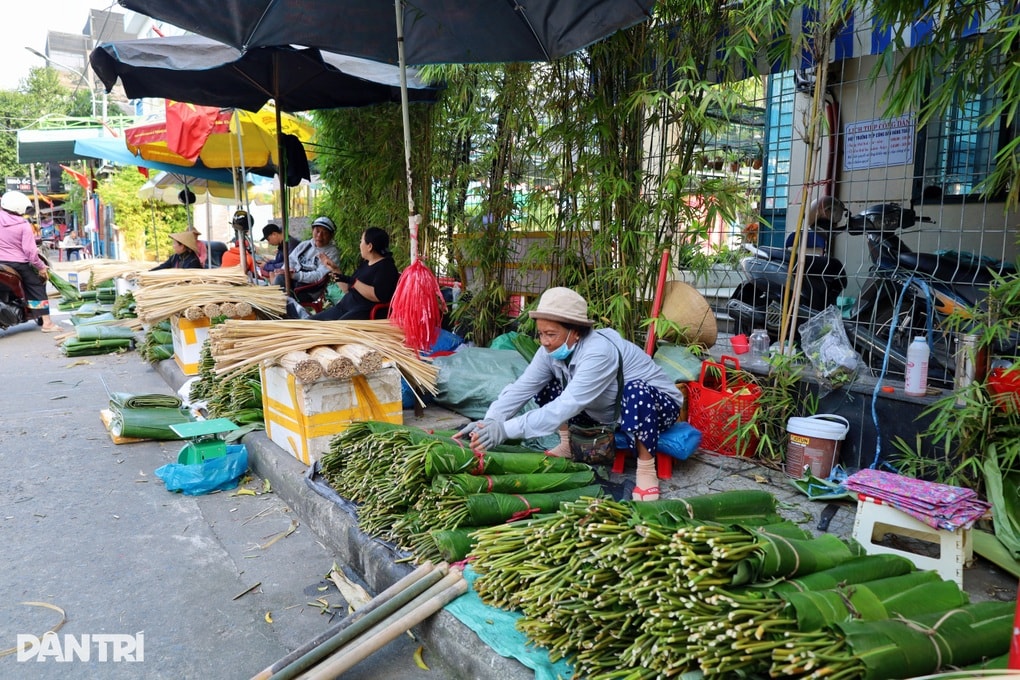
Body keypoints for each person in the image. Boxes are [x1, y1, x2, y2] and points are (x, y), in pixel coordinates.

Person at [455, 287, 684, 501]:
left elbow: (566, 405)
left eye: (551, 334)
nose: (544, 341)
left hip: (655, 408)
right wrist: (489, 422)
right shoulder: (551, 350)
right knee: (547, 385)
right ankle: (566, 445)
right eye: (540, 334)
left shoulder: (598, 352)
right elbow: (522, 387)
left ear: (575, 332)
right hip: (604, 408)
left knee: (636, 391)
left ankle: (646, 468)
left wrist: (504, 430)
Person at [311, 227, 400, 321]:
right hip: (344, 307)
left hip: (362, 312)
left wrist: (354, 282)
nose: (360, 245)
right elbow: (347, 289)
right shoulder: (366, 263)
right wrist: (334, 269)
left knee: (331, 332)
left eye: (361, 241)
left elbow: (378, 295)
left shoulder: (386, 268)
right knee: (310, 323)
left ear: (369, 246)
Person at [0, 191, 58, 332]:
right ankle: (47, 323)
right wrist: (42, 268)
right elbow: (31, 253)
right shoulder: (23, 225)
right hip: (17, 264)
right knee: (36, 285)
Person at [274, 216, 342, 300]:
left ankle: (286, 308)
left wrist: (294, 275)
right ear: (312, 231)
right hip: (294, 282)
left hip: (310, 290)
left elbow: (319, 275)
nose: (319, 235)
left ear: (331, 236)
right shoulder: (305, 245)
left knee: (281, 296)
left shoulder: (332, 252)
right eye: (317, 231)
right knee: (279, 278)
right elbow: (291, 260)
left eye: (324, 233)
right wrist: (286, 270)